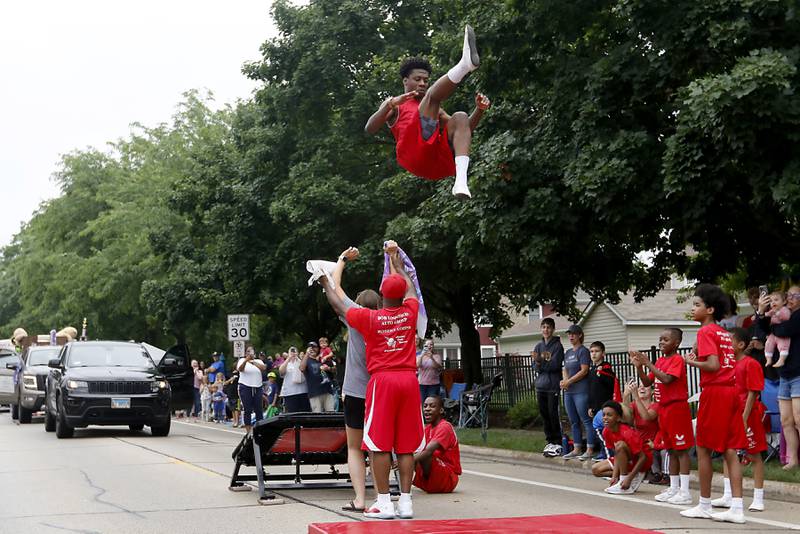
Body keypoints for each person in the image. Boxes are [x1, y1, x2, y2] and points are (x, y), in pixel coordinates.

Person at [320, 240, 424, 520]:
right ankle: (405, 502)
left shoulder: (371, 319)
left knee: (378, 444)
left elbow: (338, 301)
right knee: (405, 445)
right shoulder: (410, 312)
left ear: (381, 295)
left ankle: (383, 502)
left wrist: (325, 281)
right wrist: (395, 260)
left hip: (384, 382)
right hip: (409, 382)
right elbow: (411, 286)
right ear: (402, 294)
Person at [364, 26, 490, 199]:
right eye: (418, 79)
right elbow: (370, 128)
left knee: (459, 116)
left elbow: (464, 130)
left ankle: (461, 182)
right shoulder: (395, 104)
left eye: (425, 80)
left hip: (436, 163)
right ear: (405, 81)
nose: (423, 83)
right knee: (432, 96)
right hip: (412, 154)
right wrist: (389, 104)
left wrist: (479, 110)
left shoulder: (434, 109)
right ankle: (464, 65)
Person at [681, 283, 747, 523]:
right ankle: (737, 508)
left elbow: (713, 365)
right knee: (731, 450)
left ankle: (705, 504)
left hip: (715, 391)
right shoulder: (722, 331)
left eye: (697, 304)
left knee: (704, 448)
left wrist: (692, 363)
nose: (693, 308)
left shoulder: (706, 331)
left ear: (709, 309)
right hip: (731, 391)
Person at [323, 246, 381, 512]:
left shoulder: (355, 319)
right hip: (380, 391)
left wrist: (342, 259)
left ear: (358, 304)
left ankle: (359, 499)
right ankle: (384, 498)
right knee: (380, 446)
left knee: (356, 448)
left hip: (356, 392)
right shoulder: (387, 320)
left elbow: (336, 289)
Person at [630, 328, 694, 504]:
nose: (661, 342)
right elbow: (647, 381)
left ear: (676, 343)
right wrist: (640, 367)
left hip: (676, 408)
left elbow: (667, 379)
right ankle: (673, 488)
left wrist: (648, 363)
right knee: (670, 449)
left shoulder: (677, 360)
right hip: (663, 408)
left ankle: (685, 491)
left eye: (666, 339)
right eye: (660, 339)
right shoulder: (659, 360)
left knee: (681, 450)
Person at [713, 328, 767, 512]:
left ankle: (758, 497)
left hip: (748, 414)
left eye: (729, 341)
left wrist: (744, 418)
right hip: (729, 413)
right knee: (728, 453)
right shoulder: (726, 365)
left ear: (741, 345)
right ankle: (728, 494)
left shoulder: (750, 364)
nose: (725, 345)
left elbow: (754, 392)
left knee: (754, 454)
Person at [757, 285, 800, 470]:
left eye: (795, 295)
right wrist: (761, 310)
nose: (791, 298)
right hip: (784, 375)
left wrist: (772, 324)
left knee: (799, 418)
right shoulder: (780, 314)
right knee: (786, 420)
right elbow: (761, 329)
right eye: (788, 295)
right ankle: (793, 459)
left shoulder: (795, 316)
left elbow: (784, 330)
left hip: (798, 373)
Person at [594, 400, 652, 495]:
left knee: (620, 444)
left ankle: (626, 480)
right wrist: (614, 476)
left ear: (618, 418)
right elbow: (617, 454)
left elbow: (643, 457)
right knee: (595, 469)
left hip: (640, 460)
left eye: (609, 415)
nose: (605, 418)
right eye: (604, 415)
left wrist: (628, 479)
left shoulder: (627, 432)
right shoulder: (606, 431)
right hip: (625, 458)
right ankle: (622, 477)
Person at [413, 396, 461, 494]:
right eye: (425, 406)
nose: (427, 409)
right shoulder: (427, 429)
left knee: (424, 454)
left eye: (432, 406)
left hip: (447, 479)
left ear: (441, 410)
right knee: (411, 451)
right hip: (431, 478)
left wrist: (407, 462)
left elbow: (428, 452)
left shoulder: (445, 427)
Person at [560, 324, 594, 460]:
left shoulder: (583, 351)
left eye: (573, 334)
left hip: (581, 391)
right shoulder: (568, 353)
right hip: (569, 392)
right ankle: (577, 448)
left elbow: (584, 370)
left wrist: (570, 381)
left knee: (585, 419)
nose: (571, 336)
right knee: (573, 421)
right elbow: (565, 369)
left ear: (580, 335)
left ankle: (590, 449)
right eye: (569, 334)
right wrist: (564, 381)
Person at [532, 317, 565, 457]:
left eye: (548, 327)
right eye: (543, 327)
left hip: (552, 385)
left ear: (553, 329)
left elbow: (555, 365)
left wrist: (541, 360)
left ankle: (557, 441)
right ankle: (549, 440)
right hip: (541, 386)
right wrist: (538, 362)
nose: (546, 330)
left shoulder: (557, 346)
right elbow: (535, 367)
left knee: (553, 414)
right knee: (545, 414)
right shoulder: (538, 346)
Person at [236, 345, 267, 434]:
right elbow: (240, 369)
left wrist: (252, 361)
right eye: (248, 351)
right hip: (245, 386)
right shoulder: (242, 360)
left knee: (259, 409)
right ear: (246, 353)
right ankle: (248, 431)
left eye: (252, 351)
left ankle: (259, 430)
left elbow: (263, 368)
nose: (250, 353)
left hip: (257, 387)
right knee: (247, 409)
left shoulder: (258, 361)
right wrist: (246, 360)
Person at [301, 341, 336, 412]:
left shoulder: (323, 358)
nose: (312, 349)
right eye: (310, 347)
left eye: (314, 347)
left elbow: (335, 370)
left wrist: (328, 368)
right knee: (317, 415)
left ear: (318, 349)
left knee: (331, 413)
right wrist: (307, 354)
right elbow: (302, 368)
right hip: (315, 393)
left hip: (328, 391)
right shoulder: (306, 360)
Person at [764, 291, 792, 368]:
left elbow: (786, 317)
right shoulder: (772, 311)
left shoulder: (784, 309)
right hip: (773, 333)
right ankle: (769, 359)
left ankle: (782, 360)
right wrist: (758, 315)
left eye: (776, 300)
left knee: (783, 345)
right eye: (771, 301)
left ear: (784, 302)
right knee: (768, 344)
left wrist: (777, 313)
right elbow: (765, 315)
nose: (773, 302)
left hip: (782, 333)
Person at [279, 346, 312, 413]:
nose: (293, 353)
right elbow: (281, 371)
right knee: (293, 414)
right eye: (291, 352)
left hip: (303, 392)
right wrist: (289, 358)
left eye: (295, 351)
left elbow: (304, 368)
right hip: (290, 393)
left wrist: (298, 358)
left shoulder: (300, 362)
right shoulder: (286, 363)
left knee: (305, 413)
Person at [417, 338, 443, 403]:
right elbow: (417, 365)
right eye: (427, 345)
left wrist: (431, 358)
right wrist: (422, 355)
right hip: (422, 384)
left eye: (431, 344)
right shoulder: (419, 356)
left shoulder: (437, 356)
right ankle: (423, 413)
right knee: (423, 403)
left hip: (433, 384)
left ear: (433, 346)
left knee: (432, 403)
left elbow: (437, 367)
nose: (429, 346)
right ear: (424, 346)